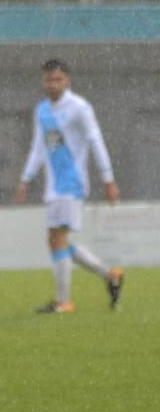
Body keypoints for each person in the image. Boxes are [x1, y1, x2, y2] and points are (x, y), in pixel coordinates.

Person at [14, 58, 123, 314]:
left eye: (58, 79)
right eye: (49, 79)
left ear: (67, 80)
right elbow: (38, 147)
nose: (53, 84)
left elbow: (96, 141)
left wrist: (108, 179)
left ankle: (64, 302)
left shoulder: (79, 108)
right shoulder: (41, 110)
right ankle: (110, 276)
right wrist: (25, 179)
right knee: (56, 240)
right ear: (43, 81)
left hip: (71, 183)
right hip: (53, 186)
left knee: (58, 237)